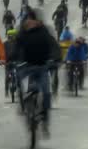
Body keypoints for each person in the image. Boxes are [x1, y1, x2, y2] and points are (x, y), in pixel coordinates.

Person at [15, 8, 59, 137]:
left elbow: (54, 47)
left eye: (32, 19)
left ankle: (45, 120)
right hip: (26, 67)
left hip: (42, 67)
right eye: (27, 20)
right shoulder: (22, 34)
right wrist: (12, 59)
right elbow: (16, 48)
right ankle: (23, 105)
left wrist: (55, 58)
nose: (29, 22)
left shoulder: (45, 32)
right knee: (21, 86)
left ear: (37, 21)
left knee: (46, 93)